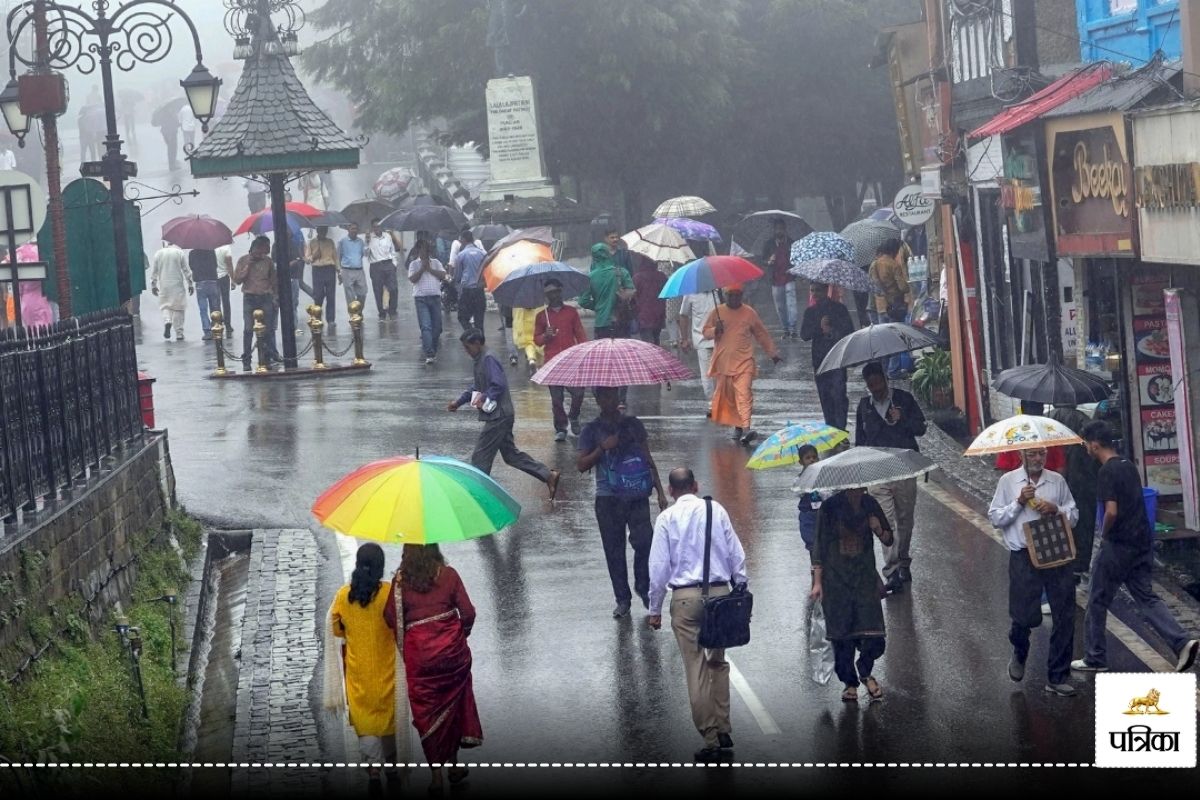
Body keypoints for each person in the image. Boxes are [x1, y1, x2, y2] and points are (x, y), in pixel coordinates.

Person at [1071, 421, 1199, 673]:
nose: (1086, 448)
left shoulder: (1106, 471)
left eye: (1086, 443)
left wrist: (1103, 534)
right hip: (1141, 543)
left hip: (1118, 545)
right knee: (1146, 597)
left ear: (1094, 444)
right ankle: (1182, 641)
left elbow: (1110, 511)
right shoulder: (1128, 465)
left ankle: (1095, 657)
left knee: (1097, 599)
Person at [647, 467, 747, 762]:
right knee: (718, 662)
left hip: (685, 600)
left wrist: (655, 609)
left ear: (671, 489)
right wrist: (741, 590)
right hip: (720, 596)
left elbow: (658, 568)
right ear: (695, 485)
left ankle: (710, 737)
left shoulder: (666, 518)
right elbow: (736, 555)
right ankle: (725, 726)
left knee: (696, 668)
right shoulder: (716, 510)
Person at [384, 545, 481, 793]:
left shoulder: (400, 583)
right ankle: (454, 766)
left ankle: (436, 774)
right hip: (452, 654)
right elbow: (468, 613)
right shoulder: (449, 575)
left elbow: (389, 617)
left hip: (420, 659)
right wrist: (460, 635)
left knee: (427, 712)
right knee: (453, 705)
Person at [987, 447, 1080, 697]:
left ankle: (1057, 676)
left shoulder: (1057, 481)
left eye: (1041, 454)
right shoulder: (1008, 482)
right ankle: (1019, 650)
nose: (1038, 459)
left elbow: (1074, 514)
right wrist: (1018, 502)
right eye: (1032, 455)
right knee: (1023, 616)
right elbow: (995, 518)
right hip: (1023, 555)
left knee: (1065, 614)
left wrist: (1056, 509)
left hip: (1056, 552)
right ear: (1022, 456)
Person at [578, 386, 668, 618]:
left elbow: (647, 457)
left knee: (645, 542)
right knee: (614, 550)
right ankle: (622, 599)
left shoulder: (633, 424)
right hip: (608, 498)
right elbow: (581, 464)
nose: (609, 400)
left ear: (619, 395)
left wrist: (659, 490)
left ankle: (642, 584)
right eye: (604, 396)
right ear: (597, 399)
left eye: (613, 394)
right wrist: (602, 448)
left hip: (637, 495)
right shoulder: (591, 429)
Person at [449, 329, 560, 498]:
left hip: (499, 416)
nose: (467, 351)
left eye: (467, 347)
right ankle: (547, 475)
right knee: (510, 455)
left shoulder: (488, 358)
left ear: (477, 344)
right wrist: (459, 401)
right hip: (500, 415)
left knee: (480, 456)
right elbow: (477, 385)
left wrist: (485, 397)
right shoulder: (480, 359)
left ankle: (478, 495)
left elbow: (498, 384)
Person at [809, 486, 894, 703]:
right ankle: (850, 683)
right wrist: (818, 582)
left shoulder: (870, 504)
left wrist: (878, 528)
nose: (858, 489)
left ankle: (865, 672)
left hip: (864, 578)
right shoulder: (829, 507)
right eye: (853, 487)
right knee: (841, 636)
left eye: (861, 486)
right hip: (836, 580)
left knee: (874, 636)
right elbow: (819, 546)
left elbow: (888, 539)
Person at [327, 543, 401, 789]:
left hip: (359, 674)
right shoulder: (389, 593)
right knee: (389, 718)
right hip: (387, 671)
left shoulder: (344, 596)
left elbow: (337, 629)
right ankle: (392, 767)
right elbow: (399, 621)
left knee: (366, 722)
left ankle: (373, 773)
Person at [854, 362, 926, 594]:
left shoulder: (903, 399)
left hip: (904, 466)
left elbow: (921, 428)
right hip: (877, 470)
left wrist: (901, 418)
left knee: (905, 521)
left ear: (885, 379)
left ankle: (903, 560)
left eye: (878, 383)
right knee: (885, 522)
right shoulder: (864, 407)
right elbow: (860, 442)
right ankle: (892, 570)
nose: (875, 389)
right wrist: (861, 477)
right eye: (870, 385)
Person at [702, 284, 781, 446]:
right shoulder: (718, 312)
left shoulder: (749, 313)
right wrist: (715, 330)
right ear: (725, 295)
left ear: (742, 296)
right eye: (731, 295)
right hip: (724, 364)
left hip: (744, 362)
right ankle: (738, 427)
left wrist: (772, 353)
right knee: (731, 398)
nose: (734, 298)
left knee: (744, 393)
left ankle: (746, 428)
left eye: (737, 295)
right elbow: (705, 332)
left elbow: (761, 333)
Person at [1048, 403, 1100, 582]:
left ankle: (1060, 560)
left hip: (1057, 477)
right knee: (1083, 521)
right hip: (1084, 480)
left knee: (1058, 519)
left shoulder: (1048, 419)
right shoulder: (1085, 421)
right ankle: (1079, 566)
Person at [533, 279, 587, 441]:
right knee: (557, 399)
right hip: (552, 361)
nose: (553, 295)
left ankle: (574, 416)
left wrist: (584, 352)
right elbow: (537, 340)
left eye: (556, 291)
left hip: (571, 360)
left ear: (560, 291)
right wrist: (546, 335)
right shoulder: (542, 316)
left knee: (578, 393)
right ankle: (560, 428)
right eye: (549, 293)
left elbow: (580, 334)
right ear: (546, 296)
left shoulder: (571, 312)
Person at [799, 280, 855, 430]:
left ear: (826, 291)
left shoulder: (839, 309)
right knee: (825, 396)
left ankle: (841, 428)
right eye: (812, 291)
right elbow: (804, 334)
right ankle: (830, 427)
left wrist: (831, 331)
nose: (815, 294)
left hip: (837, 359)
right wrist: (819, 328)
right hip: (819, 360)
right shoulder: (810, 312)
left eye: (818, 290)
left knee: (839, 394)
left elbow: (849, 332)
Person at [233, 235, 279, 370]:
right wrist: (247, 267)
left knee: (268, 330)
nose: (263, 252)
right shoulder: (243, 260)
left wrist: (275, 297)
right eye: (262, 248)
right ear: (254, 248)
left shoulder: (268, 262)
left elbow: (273, 281)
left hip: (265, 297)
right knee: (248, 329)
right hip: (249, 298)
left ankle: (266, 357)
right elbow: (237, 280)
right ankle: (246, 358)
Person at [868, 239, 912, 378]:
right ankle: (893, 370)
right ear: (893, 250)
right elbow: (903, 287)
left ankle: (884, 369)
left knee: (883, 340)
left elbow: (872, 285)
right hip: (894, 307)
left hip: (881, 308)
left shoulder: (874, 265)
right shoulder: (893, 265)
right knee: (895, 340)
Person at [578, 242, 635, 339]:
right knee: (622, 352)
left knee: (603, 352)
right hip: (621, 321)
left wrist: (598, 306)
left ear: (594, 257)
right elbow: (631, 292)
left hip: (601, 322)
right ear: (608, 254)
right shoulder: (622, 272)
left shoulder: (590, 277)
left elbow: (583, 301)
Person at [408, 239, 447, 365]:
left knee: (437, 328)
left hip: (435, 297)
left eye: (426, 249)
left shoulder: (436, 262)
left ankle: (433, 349)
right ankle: (429, 353)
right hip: (421, 298)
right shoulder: (414, 264)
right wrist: (421, 269)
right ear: (418, 250)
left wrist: (430, 269)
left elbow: (442, 275)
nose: (424, 252)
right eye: (422, 249)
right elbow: (412, 279)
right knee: (426, 326)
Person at [678, 291, 718, 401]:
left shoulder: (719, 291)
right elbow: (683, 315)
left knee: (723, 374)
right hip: (702, 341)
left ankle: (722, 402)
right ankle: (712, 403)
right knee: (707, 377)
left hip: (722, 339)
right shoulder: (690, 293)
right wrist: (684, 339)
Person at [761, 218, 797, 337]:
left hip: (789, 277)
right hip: (775, 279)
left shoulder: (792, 243)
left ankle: (793, 328)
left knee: (791, 303)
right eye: (777, 229)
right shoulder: (769, 244)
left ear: (785, 229)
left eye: (781, 228)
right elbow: (762, 260)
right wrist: (768, 261)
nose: (779, 231)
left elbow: (797, 259)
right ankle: (785, 328)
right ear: (774, 230)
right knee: (780, 307)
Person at [150, 242, 193, 341]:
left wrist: (153, 285)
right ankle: (179, 333)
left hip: (164, 284)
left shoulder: (158, 254)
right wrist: (190, 284)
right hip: (177, 284)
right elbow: (186, 270)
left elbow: (154, 271)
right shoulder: (179, 253)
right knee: (179, 307)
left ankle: (167, 321)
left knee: (165, 306)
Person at [453, 231, 487, 331]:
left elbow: (458, 276)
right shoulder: (483, 254)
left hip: (467, 291)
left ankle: (471, 334)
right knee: (479, 320)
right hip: (479, 291)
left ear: (464, 239)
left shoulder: (461, 255)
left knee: (463, 317)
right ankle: (480, 340)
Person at [365, 218, 399, 320]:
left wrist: (394, 264)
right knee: (378, 290)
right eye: (375, 227)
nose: (377, 228)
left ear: (381, 226)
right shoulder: (369, 237)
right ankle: (381, 312)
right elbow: (366, 254)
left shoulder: (387, 236)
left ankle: (392, 310)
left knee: (393, 288)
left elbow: (393, 251)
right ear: (372, 228)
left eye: (378, 226)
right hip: (376, 266)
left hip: (388, 264)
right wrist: (367, 242)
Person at [306, 226, 339, 328]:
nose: (323, 232)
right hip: (317, 270)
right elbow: (307, 260)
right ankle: (318, 316)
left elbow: (335, 258)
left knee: (331, 295)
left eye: (325, 230)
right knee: (318, 295)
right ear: (317, 230)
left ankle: (330, 319)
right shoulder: (312, 243)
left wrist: (339, 271)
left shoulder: (330, 242)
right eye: (321, 230)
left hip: (329, 269)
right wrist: (314, 256)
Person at [188, 248, 222, 342]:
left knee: (203, 309)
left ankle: (207, 331)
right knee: (215, 306)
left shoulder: (192, 253)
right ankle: (216, 326)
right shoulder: (211, 251)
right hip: (212, 280)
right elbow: (215, 265)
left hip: (200, 282)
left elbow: (192, 267)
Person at [633, 256, 667, 344]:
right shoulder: (662, 277)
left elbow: (633, 296)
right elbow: (666, 294)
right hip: (659, 315)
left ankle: (651, 358)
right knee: (656, 340)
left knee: (647, 343)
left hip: (644, 315)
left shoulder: (637, 277)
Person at [795, 445, 822, 556]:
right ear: (801, 462)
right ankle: (815, 566)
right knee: (812, 542)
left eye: (814, 457)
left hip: (822, 512)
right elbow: (798, 492)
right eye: (808, 458)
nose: (811, 460)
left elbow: (827, 493)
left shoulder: (822, 474)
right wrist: (806, 479)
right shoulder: (799, 478)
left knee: (824, 539)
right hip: (808, 514)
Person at [337, 222, 368, 311]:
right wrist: (339, 272)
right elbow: (338, 257)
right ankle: (353, 316)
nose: (354, 230)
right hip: (347, 271)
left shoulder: (361, 242)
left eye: (356, 229)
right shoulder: (342, 241)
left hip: (359, 271)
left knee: (363, 293)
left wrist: (367, 241)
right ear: (348, 229)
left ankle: (358, 311)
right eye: (352, 228)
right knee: (350, 296)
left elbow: (365, 254)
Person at [215, 243, 235, 339]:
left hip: (214, 277)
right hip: (224, 277)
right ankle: (228, 325)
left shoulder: (211, 247)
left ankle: (218, 322)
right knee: (226, 301)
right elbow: (229, 264)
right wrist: (233, 279)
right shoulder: (226, 248)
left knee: (216, 301)